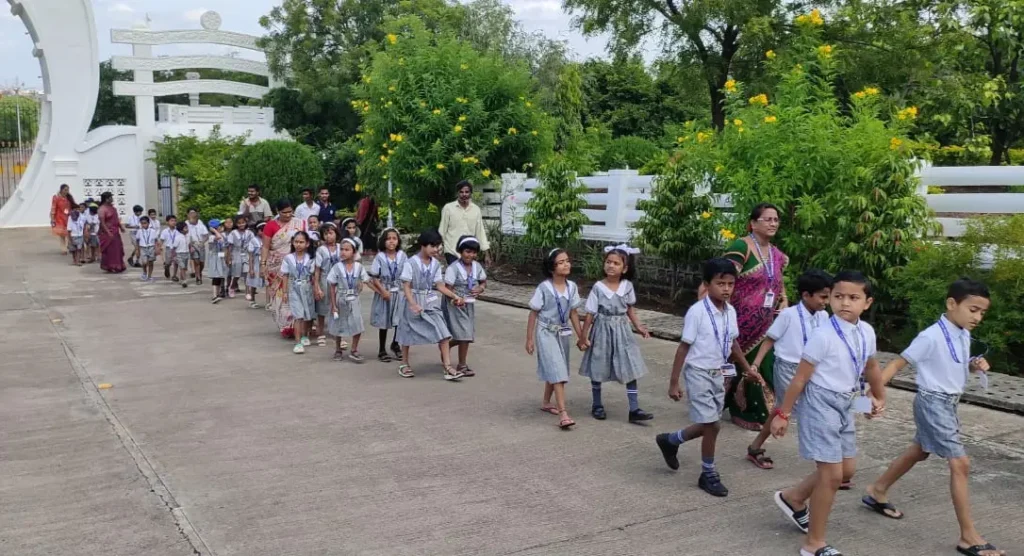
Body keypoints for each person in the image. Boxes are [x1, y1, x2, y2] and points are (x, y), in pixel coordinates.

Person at [862, 279, 1003, 556]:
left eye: (982, 313)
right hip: (932, 403)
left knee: (919, 451)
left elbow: (952, 364)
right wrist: (873, 396)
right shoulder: (931, 336)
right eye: (973, 310)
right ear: (951, 304)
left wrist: (974, 366)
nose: (978, 317)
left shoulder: (962, 332)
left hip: (949, 404)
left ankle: (877, 490)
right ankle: (968, 537)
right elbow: (897, 363)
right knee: (960, 463)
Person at [770, 271, 886, 556]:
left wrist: (876, 397)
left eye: (853, 297)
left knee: (846, 471)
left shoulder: (866, 332)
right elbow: (800, 378)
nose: (845, 302)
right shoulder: (823, 334)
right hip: (820, 404)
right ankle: (814, 544)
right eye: (838, 296)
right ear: (830, 298)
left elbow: (869, 366)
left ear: (867, 303)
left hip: (847, 401)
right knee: (832, 476)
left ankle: (793, 497)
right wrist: (783, 414)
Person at [656, 258, 753, 497]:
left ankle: (671, 441)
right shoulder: (697, 312)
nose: (726, 289)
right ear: (707, 285)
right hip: (698, 372)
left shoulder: (730, 311)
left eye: (731, 284)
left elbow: (733, 343)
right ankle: (708, 473)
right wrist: (674, 382)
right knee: (712, 425)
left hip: (718, 374)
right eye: (720, 283)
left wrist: (747, 368)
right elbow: (683, 348)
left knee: (709, 424)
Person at [745, 269, 833, 470]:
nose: (826, 302)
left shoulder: (823, 316)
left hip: (810, 368)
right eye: (822, 297)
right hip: (787, 368)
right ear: (806, 295)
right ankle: (827, 462)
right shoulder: (788, 315)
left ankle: (755, 447)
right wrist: (755, 364)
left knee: (781, 408)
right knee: (799, 409)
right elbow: (769, 340)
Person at [716, 203, 789, 431]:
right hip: (739, 321)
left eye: (776, 220)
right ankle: (739, 409)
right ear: (753, 223)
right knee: (738, 364)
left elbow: (777, 280)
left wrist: (784, 299)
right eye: (768, 219)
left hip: (765, 323)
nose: (773, 223)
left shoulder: (776, 254)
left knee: (763, 365)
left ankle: (760, 411)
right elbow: (722, 279)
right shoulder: (741, 247)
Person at [578, 244, 653, 423]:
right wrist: (583, 337)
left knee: (629, 366)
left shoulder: (627, 286)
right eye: (608, 262)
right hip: (601, 330)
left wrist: (638, 326)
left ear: (624, 268)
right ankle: (597, 405)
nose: (611, 265)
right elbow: (590, 314)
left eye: (616, 263)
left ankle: (634, 409)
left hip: (622, 331)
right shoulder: (598, 287)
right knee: (598, 364)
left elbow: (630, 309)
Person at [395, 229, 465, 380]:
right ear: (423, 245)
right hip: (413, 300)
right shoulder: (410, 263)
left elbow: (439, 285)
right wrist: (412, 303)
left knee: (443, 332)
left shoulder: (436, 264)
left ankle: (447, 367)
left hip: (430, 302)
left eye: (438, 246)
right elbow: (406, 286)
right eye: (432, 246)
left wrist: (455, 296)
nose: (436, 249)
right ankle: (404, 363)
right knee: (407, 332)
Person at [525, 248, 584, 429]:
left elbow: (573, 313)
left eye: (567, 260)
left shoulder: (572, 287)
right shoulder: (544, 288)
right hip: (546, 332)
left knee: (557, 367)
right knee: (558, 370)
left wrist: (582, 336)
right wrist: (529, 339)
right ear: (552, 268)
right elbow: (533, 313)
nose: (566, 264)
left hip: (562, 333)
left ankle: (546, 402)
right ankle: (563, 413)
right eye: (560, 262)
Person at [261, 199, 309, 338]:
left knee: (298, 294)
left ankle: (299, 326)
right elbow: (265, 246)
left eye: (290, 212)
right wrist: (263, 264)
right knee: (281, 297)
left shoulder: (299, 223)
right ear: (277, 211)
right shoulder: (270, 225)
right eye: (284, 212)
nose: (288, 215)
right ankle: (286, 326)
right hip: (276, 266)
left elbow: (306, 242)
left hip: (297, 264)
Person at [443, 235, 487, 377]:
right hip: (455, 304)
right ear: (460, 251)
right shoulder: (453, 268)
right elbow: (447, 288)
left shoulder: (476, 267)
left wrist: (480, 288)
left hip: (469, 303)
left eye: (474, 252)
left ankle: (447, 345)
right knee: (465, 333)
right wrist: (455, 299)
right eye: (467, 252)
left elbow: (483, 282)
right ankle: (462, 365)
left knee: (465, 333)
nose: (470, 255)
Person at [327, 237, 370, 362]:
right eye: (342, 249)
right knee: (339, 324)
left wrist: (380, 291)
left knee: (357, 323)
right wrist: (333, 305)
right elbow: (332, 286)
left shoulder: (359, 267)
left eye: (347, 250)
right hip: (341, 298)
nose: (343, 252)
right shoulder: (337, 267)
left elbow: (367, 280)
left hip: (354, 299)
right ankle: (338, 349)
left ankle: (354, 349)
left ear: (354, 252)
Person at [368, 228, 406, 362]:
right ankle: (382, 349)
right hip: (385, 292)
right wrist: (383, 291)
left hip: (399, 292)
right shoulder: (380, 257)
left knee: (399, 320)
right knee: (384, 321)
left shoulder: (402, 256)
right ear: (383, 241)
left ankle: (395, 344)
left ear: (398, 241)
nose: (391, 241)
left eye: (394, 238)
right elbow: (374, 277)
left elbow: (407, 274)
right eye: (388, 239)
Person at [280, 231, 316, 354]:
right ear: (292, 242)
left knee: (308, 313)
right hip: (294, 288)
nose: (298, 244)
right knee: (298, 315)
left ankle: (305, 335)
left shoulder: (310, 258)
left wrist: (316, 288)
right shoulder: (288, 258)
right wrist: (285, 292)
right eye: (296, 242)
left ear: (307, 244)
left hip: (307, 287)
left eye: (301, 242)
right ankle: (298, 342)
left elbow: (314, 275)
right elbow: (285, 275)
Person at [438, 180, 490, 265]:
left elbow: (480, 232)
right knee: (456, 272)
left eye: (467, 192)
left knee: (467, 273)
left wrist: (486, 254)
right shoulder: (448, 208)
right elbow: (442, 230)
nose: (464, 194)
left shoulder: (476, 210)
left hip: (469, 251)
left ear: (470, 193)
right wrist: (439, 250)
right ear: (457, 193)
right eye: (461, 192)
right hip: (451, 250)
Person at [313, 223, 342, 349]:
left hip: (339, 280)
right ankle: (320, 333)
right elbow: (317, 269)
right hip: (325, 279)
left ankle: (337, 333)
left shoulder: (341, 247)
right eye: (325, 234)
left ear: (336, 234)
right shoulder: (321, 250)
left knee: (338, 305)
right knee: (322, 307)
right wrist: (317, 286)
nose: (328, 236)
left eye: (331, 233)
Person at [97, 193, 126, 274]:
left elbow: (116, 219)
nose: (112, 199)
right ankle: (111, 266)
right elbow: (102, 223)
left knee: (117, 249)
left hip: (115, 232)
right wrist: (108, 232)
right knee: (109, 251)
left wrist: (121, 227)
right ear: (106, 199)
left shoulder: (113, 208)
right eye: (110, 197)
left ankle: (119, 265)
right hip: (107, 233)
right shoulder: (102, 209)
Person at [227, 215, 253, 298]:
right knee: (236, 274)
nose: (241, 224)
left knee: (247, 273)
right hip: (236, 254)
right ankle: (232, 287)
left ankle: (248, 292)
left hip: (246, 253)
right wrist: (229, 258)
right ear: (236, 224)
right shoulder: (233, 233)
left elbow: (252, 244)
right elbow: (230, 246)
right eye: (239, 223)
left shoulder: (249, 233)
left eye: (243, 223)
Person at [205, 219, 228, 303]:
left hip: (219, 257)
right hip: (214, 258)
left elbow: (223, 246)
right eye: (219, 226)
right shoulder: (211, 237)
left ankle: (218, 294)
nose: (221, 227)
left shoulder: (222, 235)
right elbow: (218, 237)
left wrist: (224, 258)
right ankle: (214, 295)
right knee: (215, 276)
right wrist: (214, 231)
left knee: (219, 276)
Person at [50, 184, 75, 255]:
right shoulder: (56, 197)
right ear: (61, 190)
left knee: (70, 233)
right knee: (62, 234)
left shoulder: (69, 197)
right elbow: (53, 208)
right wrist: (52, 218)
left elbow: (73, 206)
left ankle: (70, 246)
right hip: (60, 218)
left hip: (69, 217)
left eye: (67, 190)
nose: (66, 191)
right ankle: (63, 249)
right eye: (65, 190)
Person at [186, 208, 209, 285]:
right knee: (196, 261)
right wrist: (190, 245)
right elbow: (186, 235)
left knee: (202, 262)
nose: (192, 215)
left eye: (194, 213)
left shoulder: (200, 223)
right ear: (188, 215)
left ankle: (199, 272)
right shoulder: (186, 224)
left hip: (201, 245)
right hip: (193, 244)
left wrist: (203, 242)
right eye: (191, 213)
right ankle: (198, 277)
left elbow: (206, 235)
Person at [246, 223, 266, 309]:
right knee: (253, 282)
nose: (263, 233)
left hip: (265, 262)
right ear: (257, 231)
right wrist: (251, 269)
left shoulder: (267, 240)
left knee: (267, 282)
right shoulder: (253, 240)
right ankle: (252, 300)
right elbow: (251, 256)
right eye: (262, 231)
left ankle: (269, 302)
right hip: (256, 262)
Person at [169, 221, 190, 287]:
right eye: (185, 228)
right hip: (179, 254)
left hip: (186, 253)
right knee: (182, 267)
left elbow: (189, 244)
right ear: (181, 230)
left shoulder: (188, 237)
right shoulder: (177, 238)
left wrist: (191, 249)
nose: (187, 229)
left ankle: (181, 279)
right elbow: (174, 248)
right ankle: (184, 280)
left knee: (184, 268)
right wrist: (173, 256)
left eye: (187, 228)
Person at [136, 216, 157, 281]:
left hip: (151, 247)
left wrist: (157, 249)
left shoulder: (153, 231)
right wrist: (137, 250)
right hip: (143, 248)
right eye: (142, 223)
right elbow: (137, 240)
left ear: (148, 223)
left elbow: (156, 240)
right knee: (144, 262)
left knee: (151, 262)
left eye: (145, 223)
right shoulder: (139, 231)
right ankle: (145, 272)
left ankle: (150, 276)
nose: (143, 225)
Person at [157, 215, 178, 281]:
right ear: (167, 222)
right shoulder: (165, 231)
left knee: (176, 262)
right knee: (168, 262)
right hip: (169, 248)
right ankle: (167, 267)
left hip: (177, 248)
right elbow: (161, 240)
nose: (173, 222)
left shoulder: (178, 230)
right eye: (171, 221)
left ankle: (174, 275)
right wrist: (159, 248)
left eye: (175, 221)